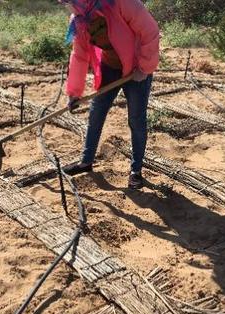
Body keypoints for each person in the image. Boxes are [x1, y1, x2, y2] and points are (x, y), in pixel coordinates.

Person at [61, 0, 160, 190]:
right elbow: (79, 56)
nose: (67, 5)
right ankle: (86, 162)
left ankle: (136, 171)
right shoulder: (79, 20)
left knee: (136, 120)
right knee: (96, 113)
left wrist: (145, 67)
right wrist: (74, 93)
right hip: (109, 68)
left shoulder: (121, 3)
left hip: (136, 69)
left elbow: (150, 30)